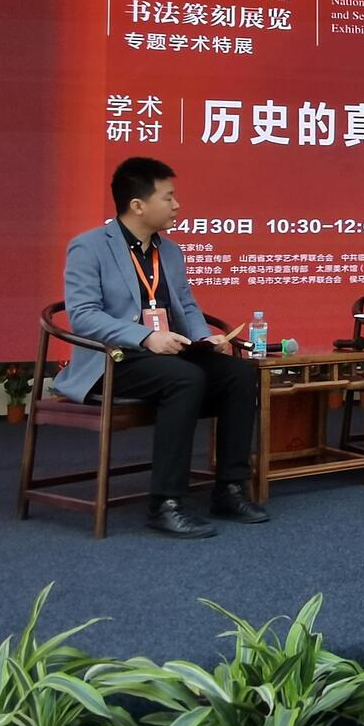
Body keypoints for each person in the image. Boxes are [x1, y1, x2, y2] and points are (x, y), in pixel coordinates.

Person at [51, 157, 268, 538]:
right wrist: (144, 337)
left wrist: (203, 338)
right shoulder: (88, 247)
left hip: (167, 354)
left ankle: (230, 489)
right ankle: (166, 503)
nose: (177, 206)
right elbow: (83, 316)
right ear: (138, 205)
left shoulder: (169, 251)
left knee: (237, 373)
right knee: (184, 378)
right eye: (168, 198)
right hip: (115, 359)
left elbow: (186, 305)